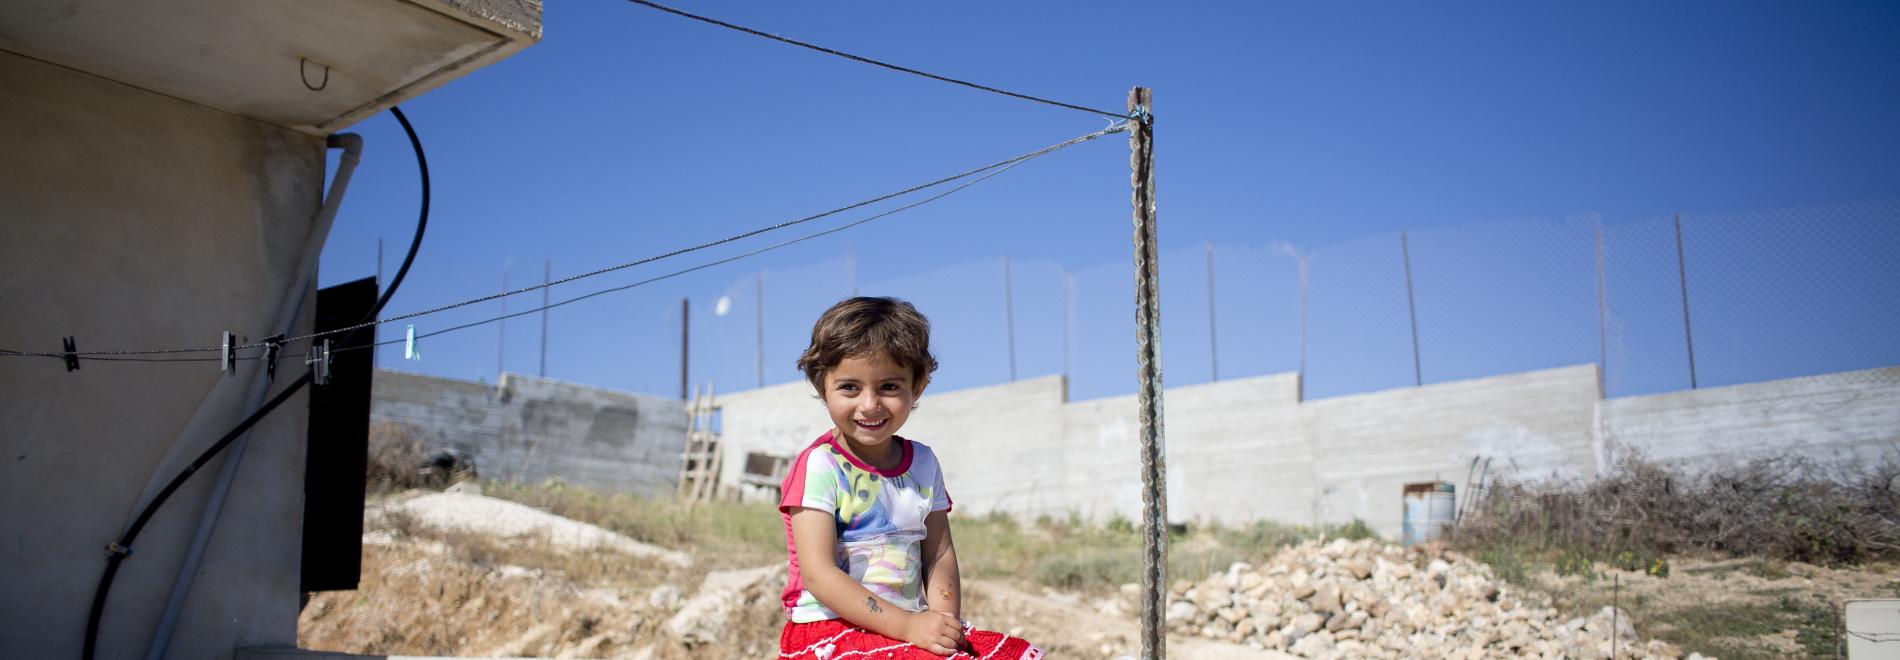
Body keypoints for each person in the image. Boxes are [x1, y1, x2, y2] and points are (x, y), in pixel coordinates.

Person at [778, 297, 1043, 659]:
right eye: (850, 387)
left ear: (917, 386)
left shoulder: (923, 463)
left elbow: (939, 553)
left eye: (889, 386)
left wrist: (943, 622)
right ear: (822, 386)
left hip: (907, 626)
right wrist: (907, 626)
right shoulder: (821, 466)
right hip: (831, 628)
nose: (869, 404)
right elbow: (819, 575)